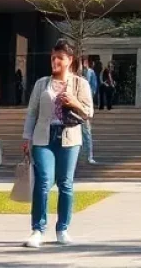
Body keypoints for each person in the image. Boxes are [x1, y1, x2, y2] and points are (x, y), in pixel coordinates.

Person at [21, 39, 94, 248]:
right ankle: (38, 229)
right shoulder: (41, 83)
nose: (55, 62)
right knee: (43, 181)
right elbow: (32, 112)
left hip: (69, 137)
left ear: (69, 60)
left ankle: (62, 228)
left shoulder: (80, 83)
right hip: (43, 137)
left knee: (65, 183)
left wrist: (74, 102)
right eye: (53, 58)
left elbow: (89, 112)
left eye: (59, 58)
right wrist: (27, 137)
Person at [79, 57, 99, 165]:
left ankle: (89, 157)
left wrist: (88, 99)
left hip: (84, 108)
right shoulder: (76, 73)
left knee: (86, 134)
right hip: (75, 107)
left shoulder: (90, 72)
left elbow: (94, 87)